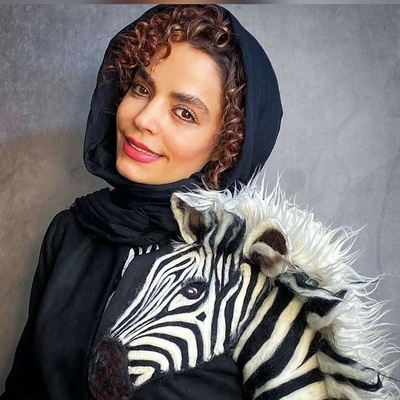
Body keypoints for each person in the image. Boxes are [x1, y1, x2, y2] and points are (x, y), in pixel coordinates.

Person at [1, 4, 282, 400]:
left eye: (184, 112)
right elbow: (24, 388)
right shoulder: (71, 232)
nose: (144, 119)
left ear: (227, 145)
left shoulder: (250, 269)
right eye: (142, 89)